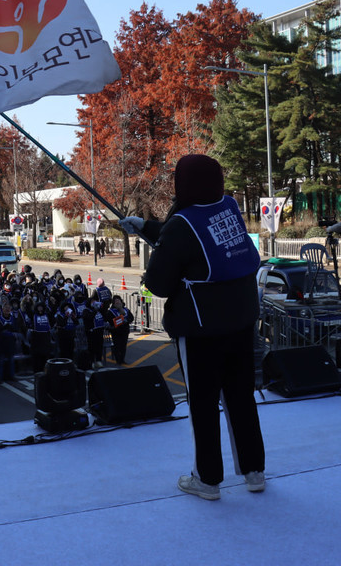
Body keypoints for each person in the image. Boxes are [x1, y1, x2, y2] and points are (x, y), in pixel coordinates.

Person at [122, 154, 265, 501]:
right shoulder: (229, 207)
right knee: (240, 397)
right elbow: (192, 236)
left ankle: (208, 479)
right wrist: (144, 225)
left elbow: (159, 283)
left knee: (202, 403)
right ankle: (254, 471)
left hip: (201, 329)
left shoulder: (182, 224)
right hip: (242, 320)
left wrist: (152, 259)